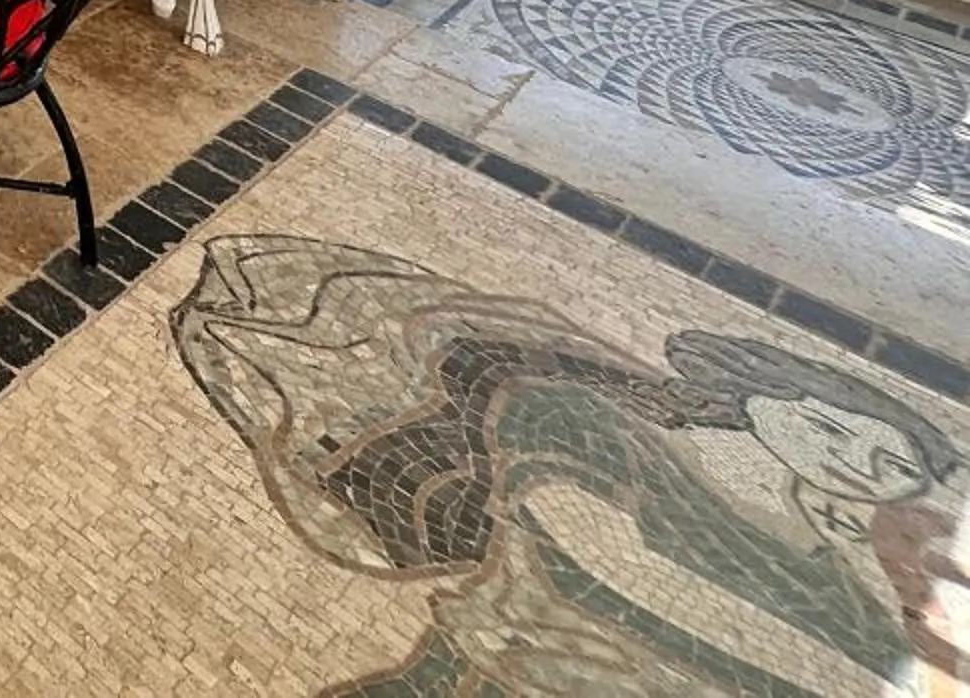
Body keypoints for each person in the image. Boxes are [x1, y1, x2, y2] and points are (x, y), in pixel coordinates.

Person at [174, 233, 966, 694]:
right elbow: (597, 556)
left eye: (881, 462)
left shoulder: (797, 534)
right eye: (839, 422)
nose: (849, 456)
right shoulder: (581, 416)